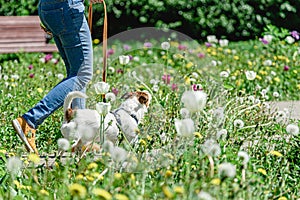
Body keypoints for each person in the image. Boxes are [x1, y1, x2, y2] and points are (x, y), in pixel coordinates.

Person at [12, 0, 103, 154]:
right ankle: (30, 120)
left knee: (75, 72)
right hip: (67, 8)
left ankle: (78, 139)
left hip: (50, 8)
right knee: (83, 74)